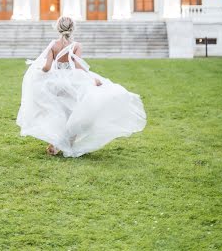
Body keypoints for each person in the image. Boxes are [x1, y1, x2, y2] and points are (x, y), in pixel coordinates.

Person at [16, 15, 147, 158]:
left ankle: (57, 142)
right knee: (75, 111)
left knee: (59, 110)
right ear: (73, 29)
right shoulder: (76, 46)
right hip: (72, 81)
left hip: (55, 81)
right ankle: (69, 142)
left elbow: (47, 67)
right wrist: (92, 78)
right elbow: (78, 66)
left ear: (58, 28)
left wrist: (38, 71)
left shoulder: (53, 45)